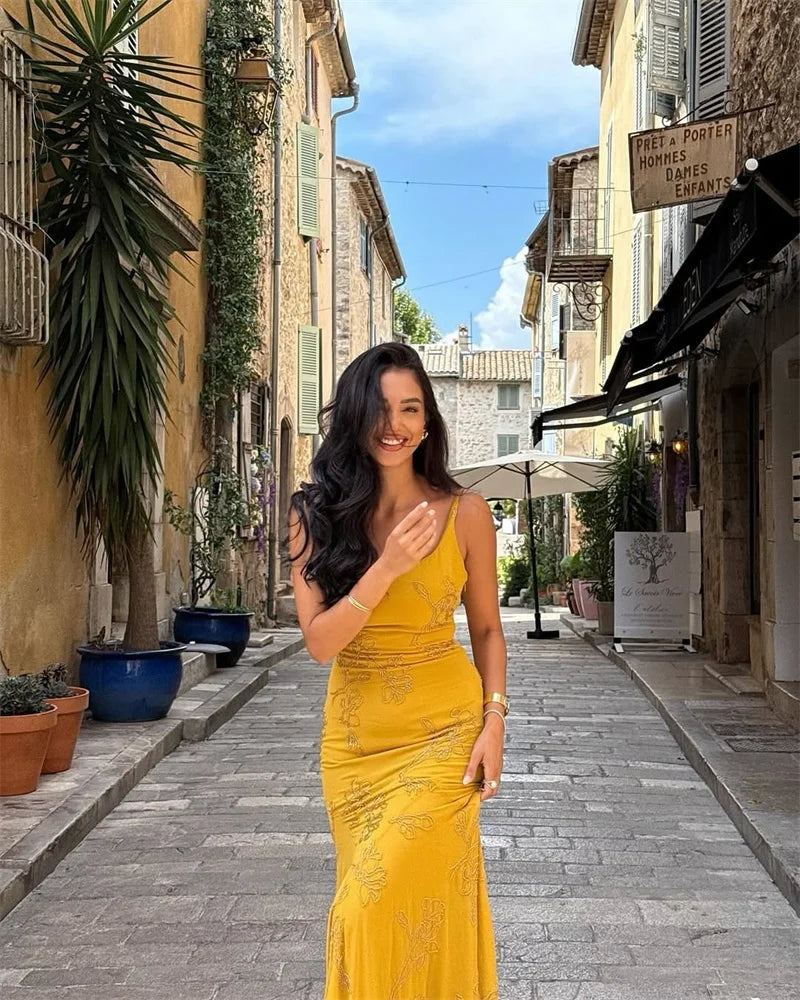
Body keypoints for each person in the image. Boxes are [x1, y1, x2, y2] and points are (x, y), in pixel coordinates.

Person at [288, 342, 507, 1000]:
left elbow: (490, 629)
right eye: (381, 408)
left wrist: (495, 721)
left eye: (411, 408)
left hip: (444, 732)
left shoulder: (466, 514)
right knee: (368, 903)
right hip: (355, 748)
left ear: (429, 422)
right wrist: (385, 569)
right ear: (355, 416)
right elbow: (320, 644)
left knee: (381, 904)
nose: (396, 424)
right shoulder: (314, 515)